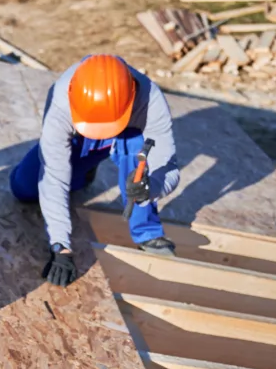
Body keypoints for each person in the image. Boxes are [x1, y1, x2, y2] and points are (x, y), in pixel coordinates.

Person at [10, 54, 181, 286]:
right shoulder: (60, 100)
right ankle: (83, 171)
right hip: (79, 138)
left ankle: (147, 231)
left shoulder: (151, 101)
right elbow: (54, 176)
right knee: (24, 188)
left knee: (139, 156)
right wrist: (60, 245)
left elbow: (167, 165)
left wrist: (152, 188)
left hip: (126, 135)